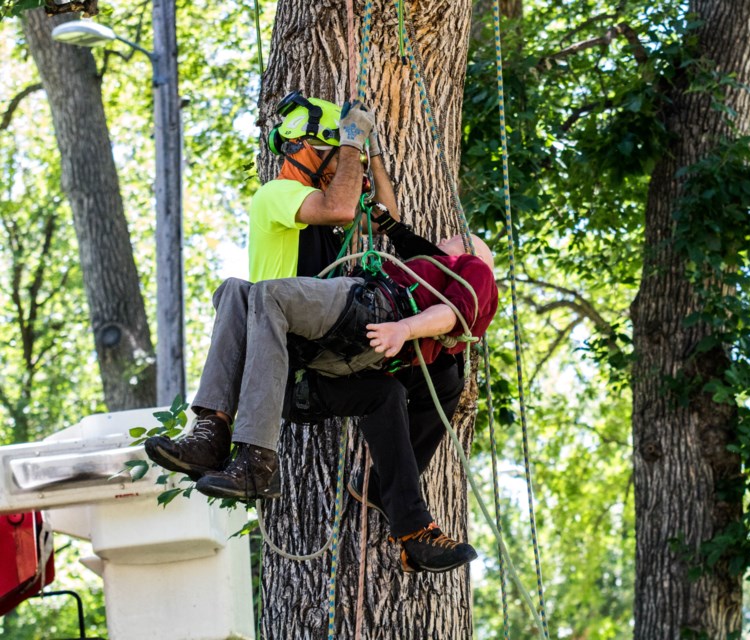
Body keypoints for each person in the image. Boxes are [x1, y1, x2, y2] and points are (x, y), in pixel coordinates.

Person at [145, 92, 492, 573]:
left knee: (404, 387)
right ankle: (221, 435)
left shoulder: (335, 219)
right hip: (283, 360)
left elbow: (383, 212)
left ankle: (411, 529)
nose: (344, 167)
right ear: (307, 149)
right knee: (242, 291)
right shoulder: (278, 195)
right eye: (333, 154)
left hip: (317, 354)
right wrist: (351, 138)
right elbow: (342, 207)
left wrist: (367, 151)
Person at [148, 236, 497, 572]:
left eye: (454, 236)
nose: (446, 236)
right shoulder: (427, 265)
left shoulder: (472, 268)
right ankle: (213, 430)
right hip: (324, 358)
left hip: (370, 306)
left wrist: (404, 328)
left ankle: (257, 461)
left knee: (268, 295)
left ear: (470, 250)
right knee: (234, 292)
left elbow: (455, 314)